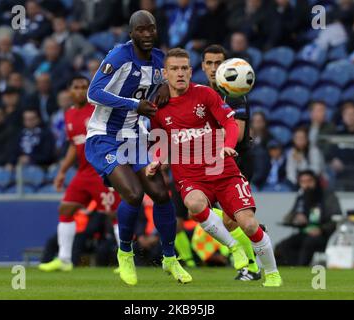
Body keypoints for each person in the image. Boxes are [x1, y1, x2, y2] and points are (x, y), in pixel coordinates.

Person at [147, 48, 282, 287]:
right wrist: (158, 159)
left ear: (190, 71)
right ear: (164, 73)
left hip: (222, 168)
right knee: (193, 205)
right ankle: (234, 248)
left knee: (249, 223)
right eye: (174, 69)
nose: (180, 73)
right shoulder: (158, 106)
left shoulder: (206, 95)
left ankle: (272, 273)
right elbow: (162, 139)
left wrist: (227, 146)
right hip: (190, 174)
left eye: (184, 69)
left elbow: (230, 122)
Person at [84, 10, 192, 286]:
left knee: (160, 193)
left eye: (151, 29)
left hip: (135, 137)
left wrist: (166, 86)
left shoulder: (159, 60)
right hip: (104, 137)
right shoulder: (119, 57)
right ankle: (125, 254)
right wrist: (134, 105)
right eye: (141, 30)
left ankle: (169, 258)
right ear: (131, 33)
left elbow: (173, 82)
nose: (146, 34)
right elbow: (93, 93)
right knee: (133, 194)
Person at [39, 75, 121, 272]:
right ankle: (65, 260)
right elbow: (74, 146)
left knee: (114, 214)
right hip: (83, 174)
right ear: (69, 91)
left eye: (84, 87)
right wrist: (62, 172)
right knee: (65, 209)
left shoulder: (98, 110)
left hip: (102, 171)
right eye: (76, 87)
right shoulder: (69, 115)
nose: (80, 90)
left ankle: (126, 260)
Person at [199, 44, 261, 280]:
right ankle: (252, 258)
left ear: (227, 65)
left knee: (228, 220)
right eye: (209, 63)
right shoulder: (203, 93)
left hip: (238, 161)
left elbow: (235, 134)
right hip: (214, 160)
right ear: (203, 66)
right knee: (213, 213)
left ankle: (252, 265)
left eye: (218, 63)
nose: (214, 68)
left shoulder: (235, 92)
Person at [275, 170, 341, 266]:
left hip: (324, 235)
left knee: (308, 243)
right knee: (283, 246)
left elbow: (336, 218)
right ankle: (292, 268)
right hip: (305, 233)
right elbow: (288, 217)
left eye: (309, 181)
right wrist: (295, 217)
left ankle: (301, 268)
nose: (306, 185)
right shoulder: (301, 197)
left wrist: (321, 229)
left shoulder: (327, 196)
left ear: (316, 181)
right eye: (303, 182)